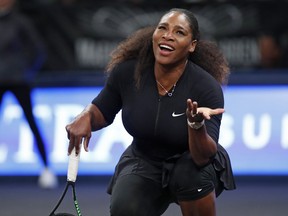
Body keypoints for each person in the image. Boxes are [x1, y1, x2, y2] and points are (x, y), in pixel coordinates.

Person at [66, 8, 236, 216]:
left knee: (190, 174)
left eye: (179, 32)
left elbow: (202, 158)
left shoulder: (206, 87)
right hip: (144, 158)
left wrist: (195, 125)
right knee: (125, 209)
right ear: (154, 35)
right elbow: (101, 109)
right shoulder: (128, 73)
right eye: (162, 28)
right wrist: (86, 116)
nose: (168, 35)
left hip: (191, 163)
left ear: (192, 46)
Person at [0, 0, 58, 188]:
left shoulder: (21, 22)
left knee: (31, 121)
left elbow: (38, 50)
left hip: (18, 80)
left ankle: (47, 168)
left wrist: (26, 71)